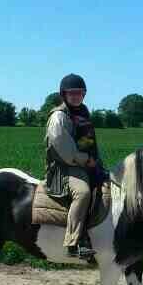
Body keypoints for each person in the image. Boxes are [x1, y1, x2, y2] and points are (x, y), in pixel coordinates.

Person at [44, 73, 104, 259]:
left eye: (80, 93)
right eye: (72, 93)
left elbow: (89, 142)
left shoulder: (83, 114)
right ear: (64, 95)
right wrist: (86, 160)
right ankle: (74, 242)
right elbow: (66, 151)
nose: (77, 96)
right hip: (64, 168)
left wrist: (97, 163)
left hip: (85, 165)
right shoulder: (59, 118)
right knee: (83, 193)